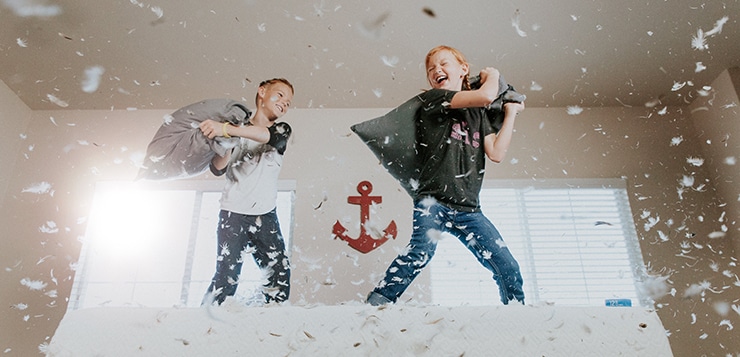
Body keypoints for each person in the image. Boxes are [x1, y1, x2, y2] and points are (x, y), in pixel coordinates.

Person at [366, 46, 526, 306]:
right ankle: (373, 308)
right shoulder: (434, 98)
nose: (436, 71)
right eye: (431, 69)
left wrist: (509, 113)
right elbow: (486, 94)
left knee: (507, 266)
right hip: (433, 201)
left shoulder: (479, 114)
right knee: (420, 252)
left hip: (469, 209)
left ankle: (520, 314)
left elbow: (496, 152)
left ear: (463, 69)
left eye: (443, 64)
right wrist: (493, 74)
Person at [199, 78, 294, 305]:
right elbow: (217, 168)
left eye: (289, 102)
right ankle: (203, 323)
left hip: (265, 216)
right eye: (280, 95)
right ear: (262, 92)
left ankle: (271, 326)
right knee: (226, 278)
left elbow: (267, 137)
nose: (284, 103)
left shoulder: (281, 129)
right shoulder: (235, 130)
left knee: (279, 276)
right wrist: (226, 138)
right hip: (232, 215)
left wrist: (227, 129)